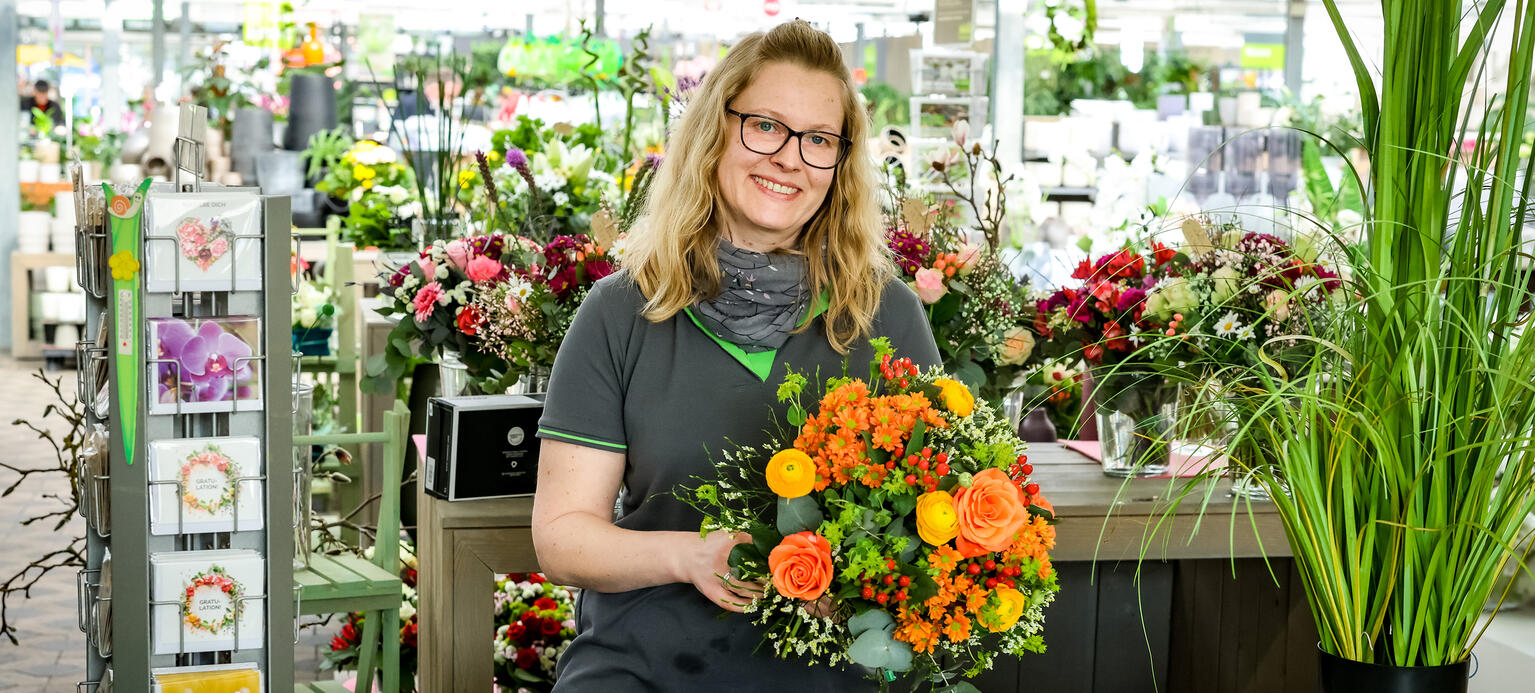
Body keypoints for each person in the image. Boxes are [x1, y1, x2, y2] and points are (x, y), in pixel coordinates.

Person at [531, 19, 942, 692]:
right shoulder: (622, 311)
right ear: (715, 132)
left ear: (839, 165)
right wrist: (691, 555)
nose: (788, 158)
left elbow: (938, 514)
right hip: (646, 668)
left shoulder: (884, 313)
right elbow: (562, 536)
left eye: (817, 140)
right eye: (765, 125)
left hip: (837, 675)